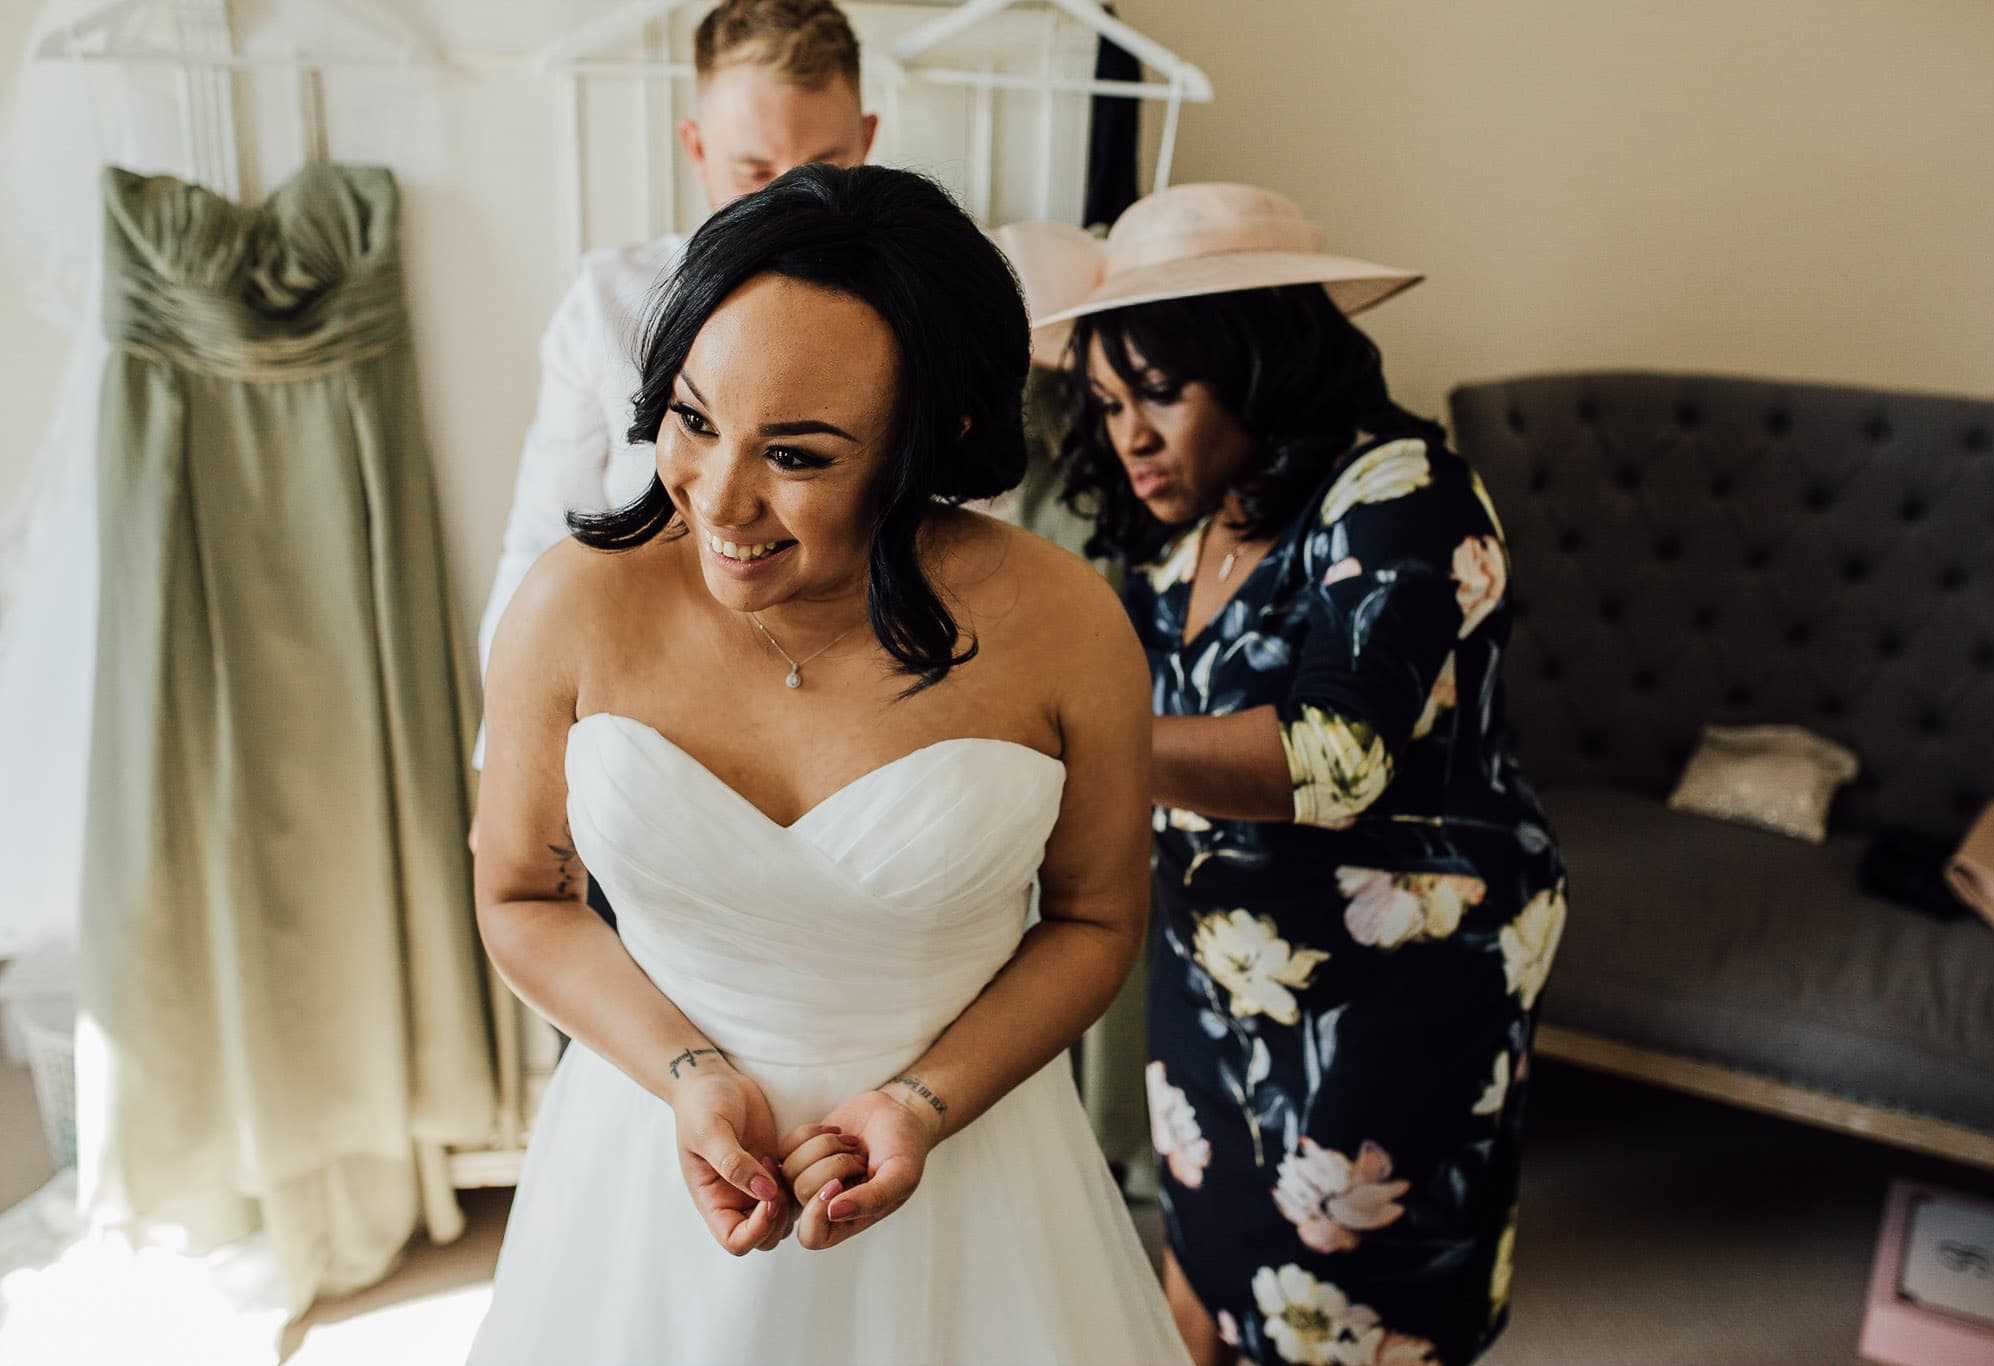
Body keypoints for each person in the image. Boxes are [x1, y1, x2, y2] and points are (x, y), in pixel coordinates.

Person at [464, 164, 1191, 1365]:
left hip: (971, 1163)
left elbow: (1096, 919)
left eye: (796, 455)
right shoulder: (573, 606)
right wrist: (687, 1071)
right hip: (652, 1150)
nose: (719, 498)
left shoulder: (1063, 624)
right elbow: (518, 895)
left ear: (935, 439)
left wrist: (918, 1103)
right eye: (693, 420)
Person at [1044, 183, 1568, 1366]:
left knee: (1350, 1303)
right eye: (1108, 402)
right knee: (1204, 1254)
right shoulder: (1190, 524)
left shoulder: (1402, 496)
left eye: (1160, 395)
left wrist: (1064, 744)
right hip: (1222, 958)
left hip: (1393, 981)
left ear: (1260, 358)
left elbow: (1334, 757)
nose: (1127, 436)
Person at [473, 0, 876, 760]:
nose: (791, 205)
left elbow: (968, 534)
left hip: (857, 731)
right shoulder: (607, 306)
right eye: (753, 171)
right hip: (645, 738)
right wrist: (508, 763)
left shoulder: (928, 317)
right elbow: (538, 544)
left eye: (824, 168)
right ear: (695, 148)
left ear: (869, 142)